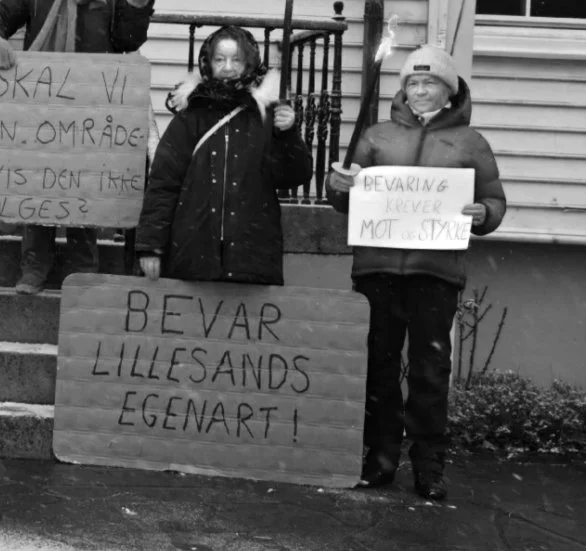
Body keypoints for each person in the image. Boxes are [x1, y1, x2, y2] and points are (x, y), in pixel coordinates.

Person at [327, 46, 506, 502]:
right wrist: (339, 186)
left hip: (435, 272)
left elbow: (494, 201)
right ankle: (379, 458)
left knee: (430, 370)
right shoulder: (377, 136)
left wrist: (481, 212)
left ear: (449, 91)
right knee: (379, 367)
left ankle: (429, 465)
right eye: (413, 83)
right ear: (402, 89)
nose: (420, 90)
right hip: (378, 269)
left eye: (430, 83)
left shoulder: (470, 143)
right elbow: (347, 197)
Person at [0, 0, 155, 294]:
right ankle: (34, 268)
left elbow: (127, 40)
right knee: (39, 184)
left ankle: (83, 269)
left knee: (83, 187)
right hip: (42, 104)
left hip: (93, 106)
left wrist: (139, 5)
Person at [135, 26, 311, 284]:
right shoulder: (190, 118)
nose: (228, 67)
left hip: (251, 258)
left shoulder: (266, 116)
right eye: (220, 59)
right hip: (193, 258)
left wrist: (288, 135)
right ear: (209, 63)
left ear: (249, 63)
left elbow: (294, 175)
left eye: (236, 60)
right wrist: (151, 246)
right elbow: (163, 185)